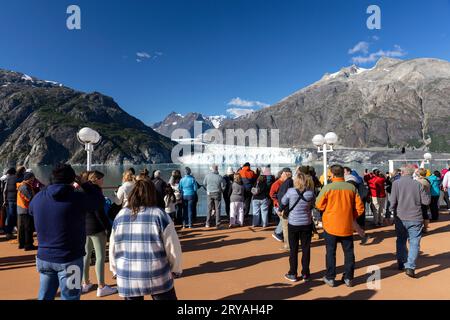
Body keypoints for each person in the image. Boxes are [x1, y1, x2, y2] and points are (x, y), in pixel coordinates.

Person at [30, 164, 105, 300]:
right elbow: (99, 202)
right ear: (72, 179)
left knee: (44, 296)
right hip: (70, 260)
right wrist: (84, 184)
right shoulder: (77, 198)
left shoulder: (38, 198)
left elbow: (31, 210)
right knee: (71, 297)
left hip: (44, 257)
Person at [109, 179, 182, 300]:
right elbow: (172, 247)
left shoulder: (120, 215)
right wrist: (175, 269)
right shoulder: (160, 215)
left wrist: (115, 270)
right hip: (157, 275)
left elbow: (113, 246)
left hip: (128, 276)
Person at [316, 165, 365, 288]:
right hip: (346, 226)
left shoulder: (328, 188)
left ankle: (330, 277)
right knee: (349, 253)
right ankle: (348, 277)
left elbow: (319, 205)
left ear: (332, 175)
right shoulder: (351, 188)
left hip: (330, 225)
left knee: (330, 252)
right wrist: (351, 216)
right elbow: (360, 208)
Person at [390, 165, 431, 278]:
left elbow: (392, 202)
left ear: (402, 173)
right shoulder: (418, 184)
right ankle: (410, 266)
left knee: (401, 240)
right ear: (412, 173)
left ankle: (401, 262)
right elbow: (426, 202)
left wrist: (390, 214)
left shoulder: (395, 184)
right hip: (415, 217)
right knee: (414, 242)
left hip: (400, 217)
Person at [81, 171, 117, 298]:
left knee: (86, 254)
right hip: (96, 228)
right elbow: (99, 213)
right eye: (101, 178)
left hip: (85, 227)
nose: (103, 181)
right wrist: (108, 228)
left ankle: (85, 283)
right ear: (96, 179)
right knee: (100, 256)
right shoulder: (96, 192)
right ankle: (101, 286)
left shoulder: (83, 191)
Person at [281, 172, 315, 282]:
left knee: (294, 249)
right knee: (306, 249)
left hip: (293, 223)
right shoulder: (310, 193)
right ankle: (305, 273)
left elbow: (283, 201)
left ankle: (293, 273)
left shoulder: (291, 191)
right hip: (306, 223)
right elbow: (313, 204)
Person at [345, 174, 369, 245]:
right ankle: (363, 235)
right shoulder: (356, 186)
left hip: (349, 208)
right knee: (353, 223)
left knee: (352, 223)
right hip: (351, 207)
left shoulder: (350, 187)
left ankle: (363, 235)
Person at [16, 172, 37, 251]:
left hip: (21, 209)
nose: (33, 180)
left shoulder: (23, 186)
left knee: (22, 228)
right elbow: (30, 198)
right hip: (25, 209)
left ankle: (22, 244)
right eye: (32, 179)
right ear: (28, 178)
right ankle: (28, 245)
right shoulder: (24, 187)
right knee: (28, 228)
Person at [203, 164, 226, 229]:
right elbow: (223, 186)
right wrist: (221, 191)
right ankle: (217, 224)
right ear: (217, 169)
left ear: (211, 169)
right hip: (217, 193)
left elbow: (204, 184)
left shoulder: (207, 176)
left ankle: (207, 223)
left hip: (209, 193)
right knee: (218, 209)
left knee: (209, 208)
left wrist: (207, 190)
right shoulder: (220, 177)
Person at [278, 168, 294, 251]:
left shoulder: (287, 182)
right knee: (287, 227)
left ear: (285, 174)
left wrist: (281, 209)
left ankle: (288, 245)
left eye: (282, 173)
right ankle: (290, 244)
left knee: (286, 227)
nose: (281, 175)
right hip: (288, 208)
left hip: (286, 209)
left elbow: (285, 197)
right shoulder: (289, 182)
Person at [2, 168, 18, 240]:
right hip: (16, 200)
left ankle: (8, 233)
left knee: (10, 216)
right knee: (16, 216)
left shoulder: (7, 179)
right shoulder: (17, 178)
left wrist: (5, 200)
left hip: (9, 200)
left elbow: (4, 191)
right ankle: (16, 232)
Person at [270, 170, 285, 242]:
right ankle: (277, 233)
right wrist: (276, 202)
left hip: (282, 204)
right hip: (277, 205)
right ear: (281, 175)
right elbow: (271, 194)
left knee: (284, 219)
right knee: (283, 219)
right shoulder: (277, 183)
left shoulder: (285, 182)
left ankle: (280, 233)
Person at [416, 168, 431, 233]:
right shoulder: (427, 180)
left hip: (421, 199)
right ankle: (425, 228)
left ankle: (422, 228)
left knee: (421, 214)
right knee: (425, 214)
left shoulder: (420, 181)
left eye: (417, 172)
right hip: (426, 198)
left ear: (420, 173)